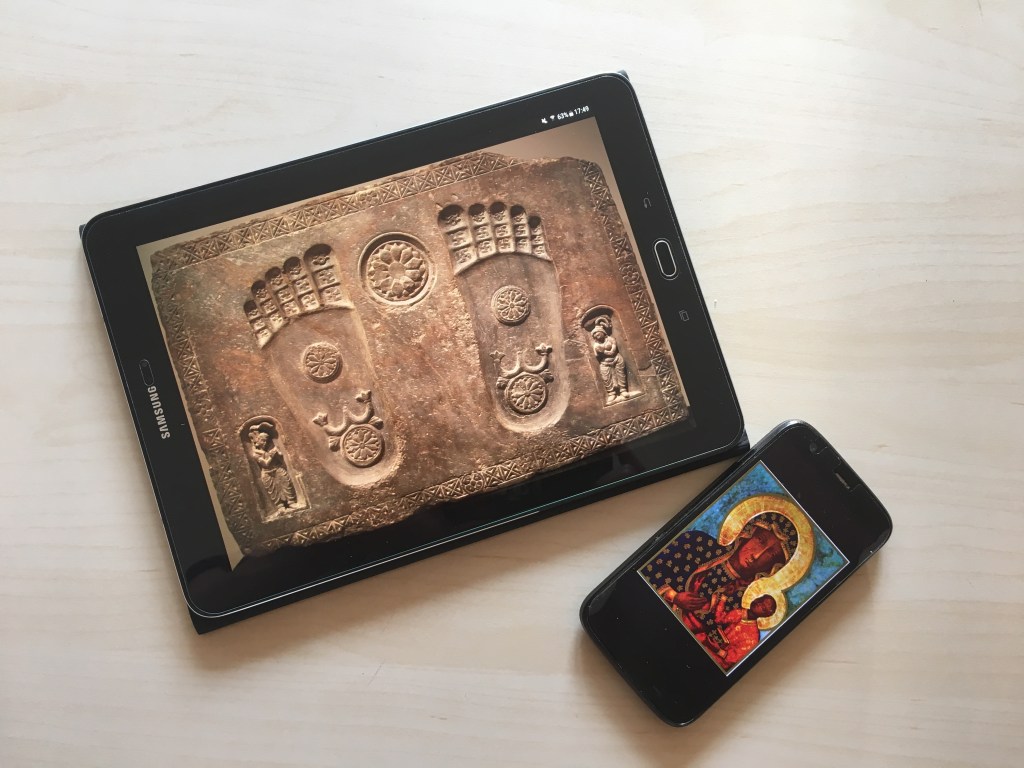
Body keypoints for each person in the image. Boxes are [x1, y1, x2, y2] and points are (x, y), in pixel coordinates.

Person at [646, 512, 798, 639]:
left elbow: (722, 642)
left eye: (771, 555)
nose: (757, 555)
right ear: (748, 533)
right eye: (760, 540)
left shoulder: (744, 603)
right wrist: (673, 596)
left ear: (774, 566)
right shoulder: (695, 543)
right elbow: (647, 570)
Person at [247, 424, 298, 512]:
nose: (265, 443)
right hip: (267, 473)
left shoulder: (271, 448)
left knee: (286, 483)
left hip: (278, 468)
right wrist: (271, 456)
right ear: (257, 441)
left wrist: (278, 453)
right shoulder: (255, 454)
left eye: (266, 441)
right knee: (273, 491)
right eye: (263, 441)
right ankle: (280, 507)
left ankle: (291, 502)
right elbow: (265, 464)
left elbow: (281, 457)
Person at [589, 316, 629, 403]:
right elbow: (597, 355)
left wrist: (605, 351)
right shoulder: (596, 345)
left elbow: (613, 350)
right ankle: (611, 393)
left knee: (621, 374)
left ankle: (623, 390)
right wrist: (601, 352)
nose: (597, 336)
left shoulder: (610, 339)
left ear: (603, 333)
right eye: (595, 335)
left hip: (616, 359)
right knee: (606, 378)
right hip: (605, 362)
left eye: (598, 334)